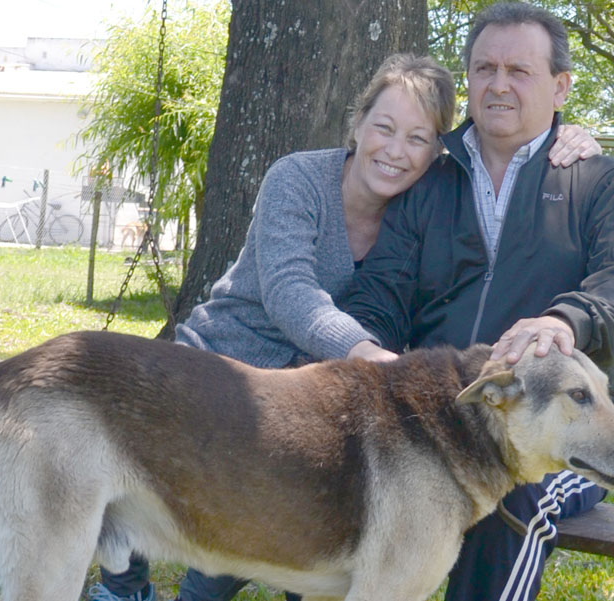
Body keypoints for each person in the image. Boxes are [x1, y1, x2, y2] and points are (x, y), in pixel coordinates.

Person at [87, 52, 600, 601]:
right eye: (384, 128)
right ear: (358, 124)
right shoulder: (299, 179)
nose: (396, 151)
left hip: (310, 411)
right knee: (215, 549)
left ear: (438, 151)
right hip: (221, 375)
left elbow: (502, 135)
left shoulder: (416, 209)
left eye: (419, 138)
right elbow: (289, 292)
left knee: (307, 538)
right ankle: (125, 585)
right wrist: (366, 353)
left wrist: (564, 134)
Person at [341, 3, 614, 601]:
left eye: (519, 70)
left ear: (560, 85)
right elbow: (382, 292)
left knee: (510, 495)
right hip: (441, 409)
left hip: (557, 431)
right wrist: (358, 354)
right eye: (484, 67)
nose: (498, 84)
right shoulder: (430, 182)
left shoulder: (595, 180)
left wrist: (562, 319)